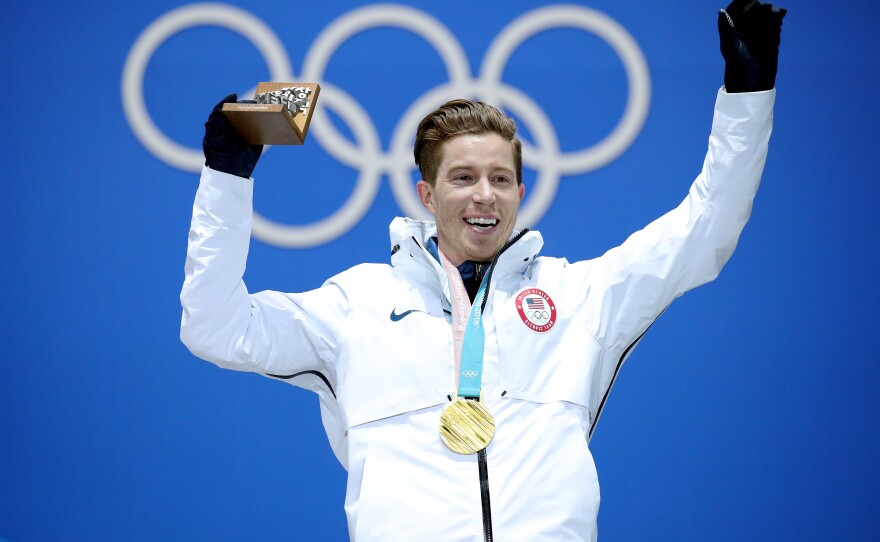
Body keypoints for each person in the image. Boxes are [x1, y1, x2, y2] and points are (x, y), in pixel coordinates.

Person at [180, 1, 785, 540]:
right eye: (463, 178)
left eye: (500, 179)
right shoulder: (354, 304)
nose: (484, 197)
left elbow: (707, 225)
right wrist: (226, 180)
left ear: (521, 190)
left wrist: (747, 96)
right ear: (425, 194)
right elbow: (213, 326)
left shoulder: (580, 297)